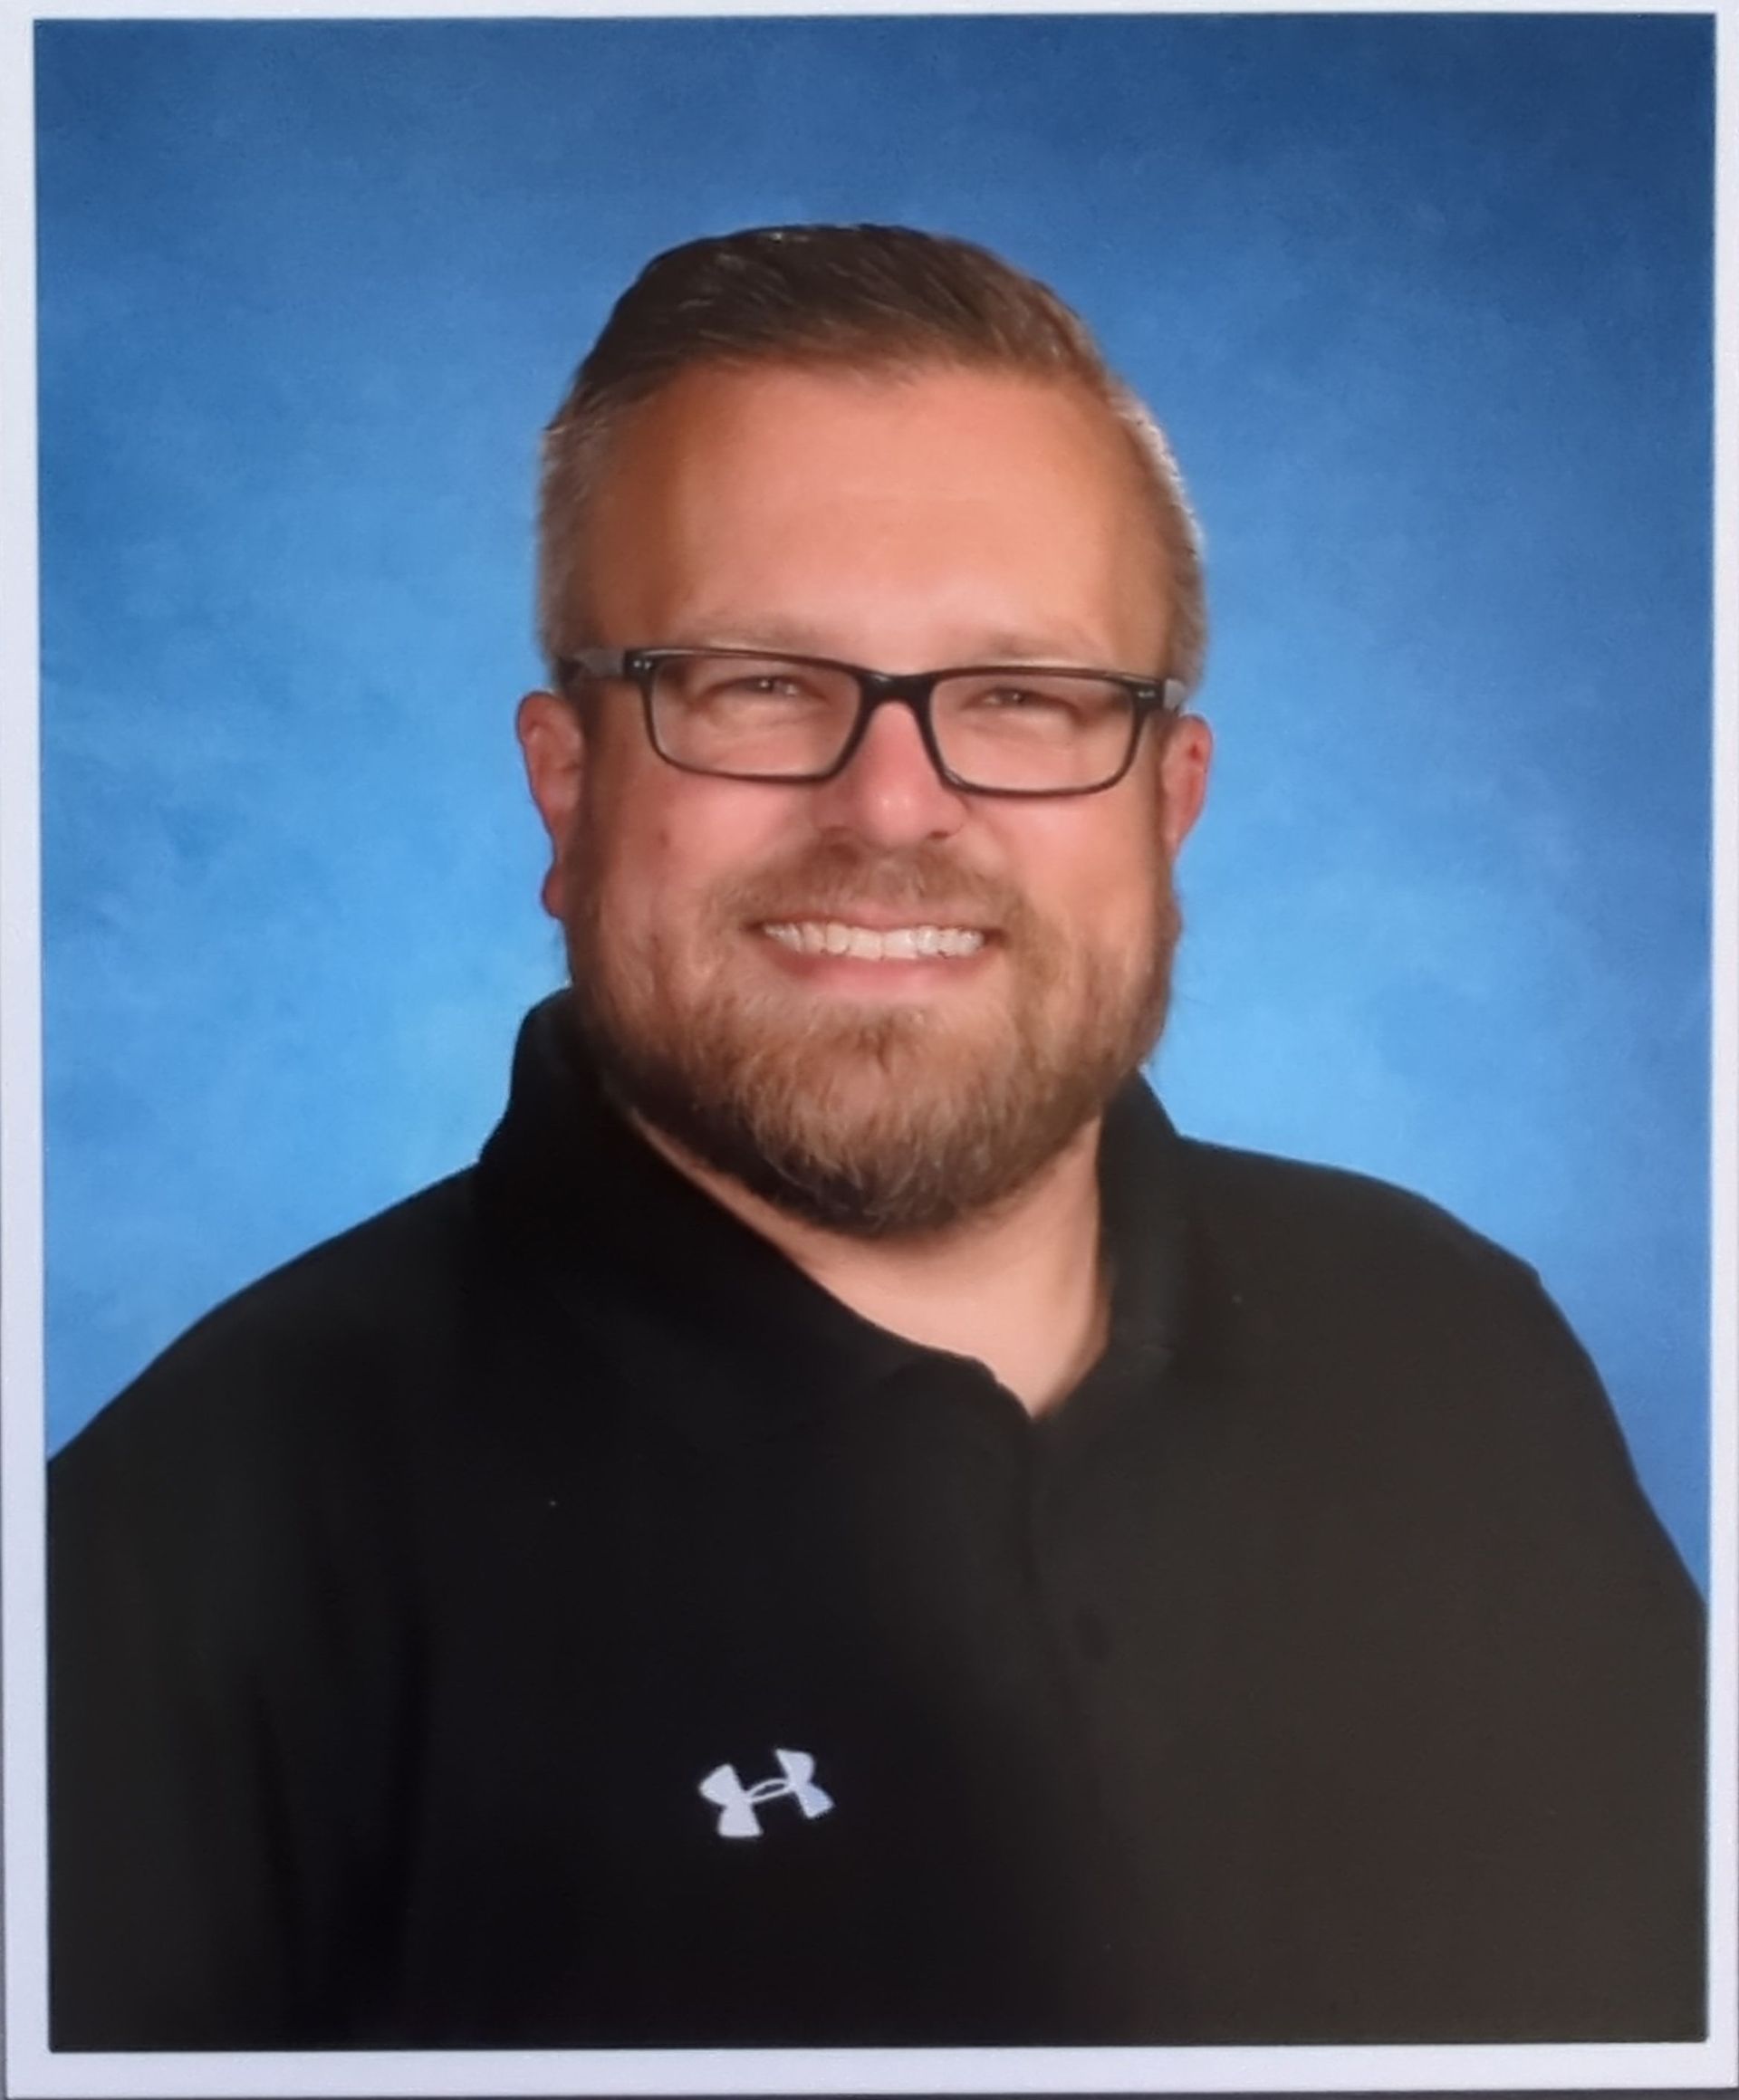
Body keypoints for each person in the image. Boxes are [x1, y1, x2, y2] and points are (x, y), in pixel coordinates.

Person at [48, 224, 1704, 2053]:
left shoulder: (1454, 1350)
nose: (895, 803)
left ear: (1172, 801)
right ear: (568, 781)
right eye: (758, 682)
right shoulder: (175, 1561)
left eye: (1023, 695)